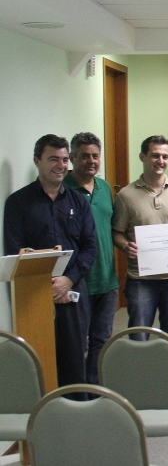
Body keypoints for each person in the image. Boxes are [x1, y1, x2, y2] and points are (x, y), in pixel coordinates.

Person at [4, 134, 97, 392]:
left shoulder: (78, 202)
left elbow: (90, 248)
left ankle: (76, 411)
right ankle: (43, 417)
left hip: (73, 288)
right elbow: (15, 251)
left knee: (75, 358)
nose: (61, 165)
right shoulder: (17, 203)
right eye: (53, 159)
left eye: (65, 159)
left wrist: (67, 280)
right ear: (37, 161)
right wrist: (47, 286)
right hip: (32, 294)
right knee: (37, 357)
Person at [112, 135, 168, 341]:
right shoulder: (126, 195)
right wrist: (125, 246)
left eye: (165, 156)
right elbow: (117, 232)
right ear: (143, 157)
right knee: (139, 334)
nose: (161, 161)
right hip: (141, 279)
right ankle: (141, 374)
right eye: (155, 156)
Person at [63, 132, 119, 385]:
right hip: (78, 280)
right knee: (76, 341)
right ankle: (77, 389)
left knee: (102, 339)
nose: (91, 161)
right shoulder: (62, 189)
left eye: (95, 156)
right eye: (84, 156)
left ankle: (94, 388)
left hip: (107, 278)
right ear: (72, 157)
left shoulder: (105, 187)